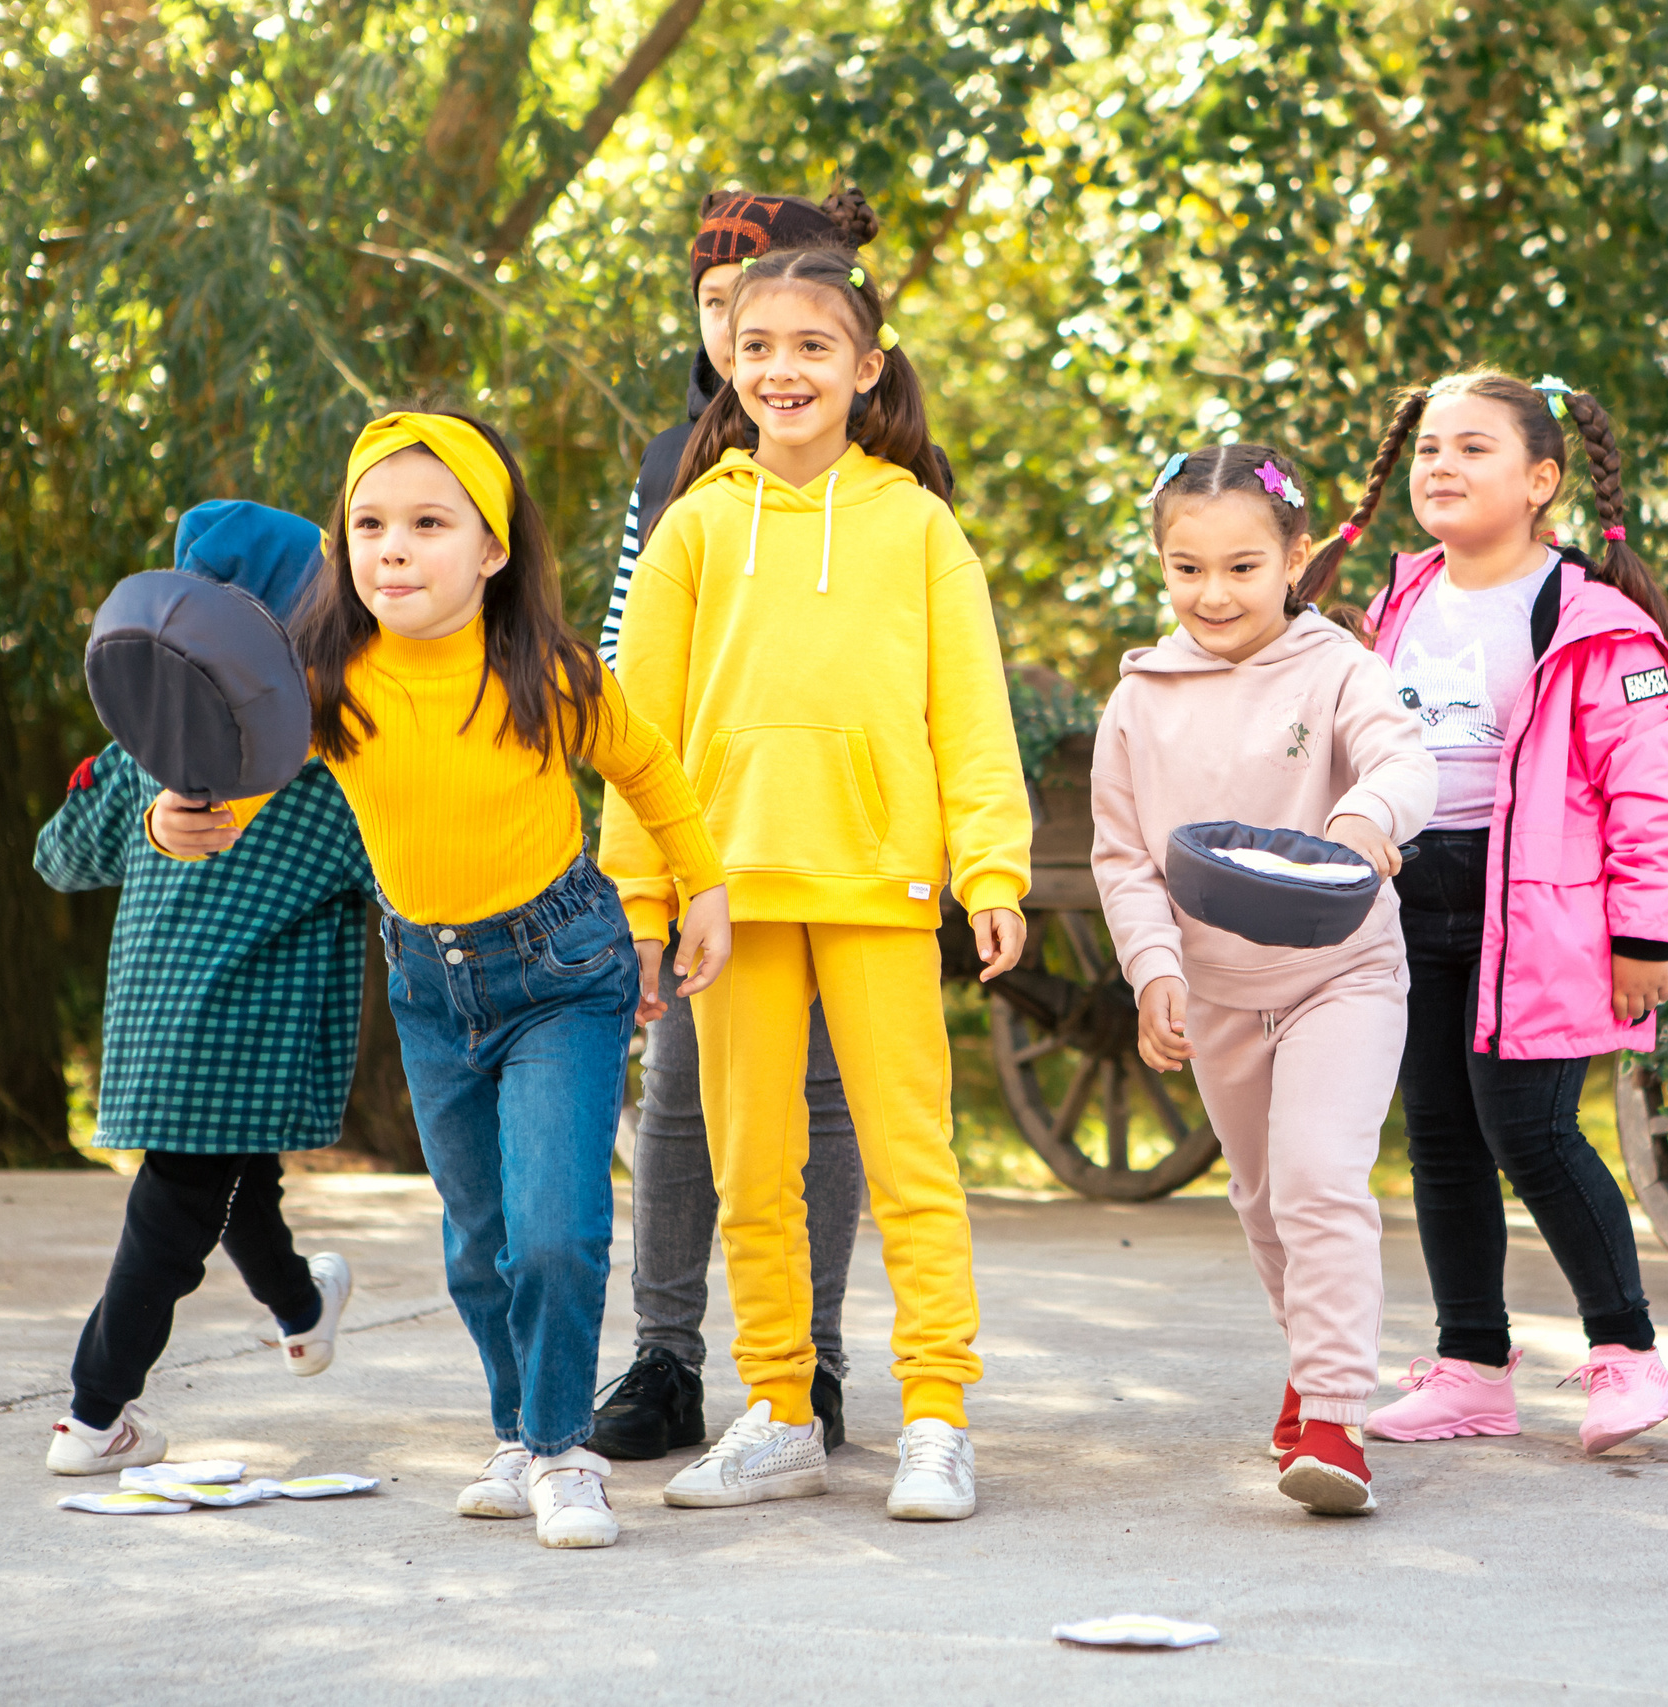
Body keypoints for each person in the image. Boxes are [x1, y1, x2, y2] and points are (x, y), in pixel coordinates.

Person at [168, 411, 731, 1549]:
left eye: (429, 524)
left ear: (492, 550)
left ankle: (565, 1453)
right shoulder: (325, 682)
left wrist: (703, 887)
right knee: (478, 1242)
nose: (394, 547)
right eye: (369, 524)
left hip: (563, 971)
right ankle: (517, 1433)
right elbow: (226, 800)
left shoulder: (546, 673)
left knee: (556, 1232)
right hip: (431, 985)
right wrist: (177, 819)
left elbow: (648, 766)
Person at [600, 245, 1029, 1523]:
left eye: (811, 347)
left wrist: (991, 867)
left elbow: (971, 712)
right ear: (726, 363)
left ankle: (937, 1417)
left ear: (865, 368)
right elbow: (637, 729)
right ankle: (780, 1412)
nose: (781, 369)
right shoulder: (693, 524)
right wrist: (641, 897)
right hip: (725, 895)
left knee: (911, 1162)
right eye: (757, 346)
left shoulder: (917, 525)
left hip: (878, 884)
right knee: (751, 1168)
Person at [1346, 373, 1668, 1456]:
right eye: (1429, 449)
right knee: (1440, 1138)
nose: (1442, 466)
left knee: (1531, 1132)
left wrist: (1645, 934)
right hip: (1413, 902)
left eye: (1473, 449)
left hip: (1541, 921)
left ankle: (1629, 1356)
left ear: (1541, 480)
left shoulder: (1593, 622)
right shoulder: (1399, 603)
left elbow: (1655, 791)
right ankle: (1469, 1368)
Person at [590, 186, 882, 1462]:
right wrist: (639, 848)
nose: (732, 335)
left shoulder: (892, 472)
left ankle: (809, 1357)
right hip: (700, 825)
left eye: (757, 311)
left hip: (837, 838)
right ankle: (666, 1356)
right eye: (714, 309)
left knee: (824, 1098)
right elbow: (630, 656)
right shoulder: (675, 465)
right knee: (679, 1095)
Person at [1092, 441, 1436, 1515]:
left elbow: (1404, 759)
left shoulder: (1339, 670)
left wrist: (1364, 818)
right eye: (1186, 568)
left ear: (1294, 557)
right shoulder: (1137, 702)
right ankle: (1310, 1364)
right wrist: (1153, 968)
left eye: (1242, 566)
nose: (1214, 593)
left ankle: (1333, 1417)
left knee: (1318, 1179)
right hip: (1216, 988)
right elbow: (1123, 858)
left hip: (1341, 971)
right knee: (1263, 1201)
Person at [36, 501, 371, 1476]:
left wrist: (137, 809)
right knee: (173, 1224)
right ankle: (93, 1415)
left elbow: (57, 856)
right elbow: (412, 877)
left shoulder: (145, 754)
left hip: (158, 1037)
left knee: (236, 1183)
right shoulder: (334, 778)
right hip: (246, 1045)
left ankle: (302, 1312)